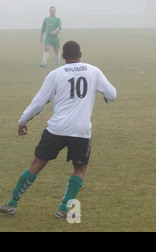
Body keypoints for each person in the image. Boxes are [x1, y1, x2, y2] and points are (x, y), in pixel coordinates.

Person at [0, 41, 117, 218]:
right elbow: (112, 95)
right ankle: (63, 209)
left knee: (36, 164)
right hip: (81, 130)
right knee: (80, 169)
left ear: (62, 57)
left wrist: (23, 121)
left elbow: (39, 101)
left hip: (56, 129)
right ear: (81, 54)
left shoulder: (56, 74)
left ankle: (12, 203)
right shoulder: (94, 71)